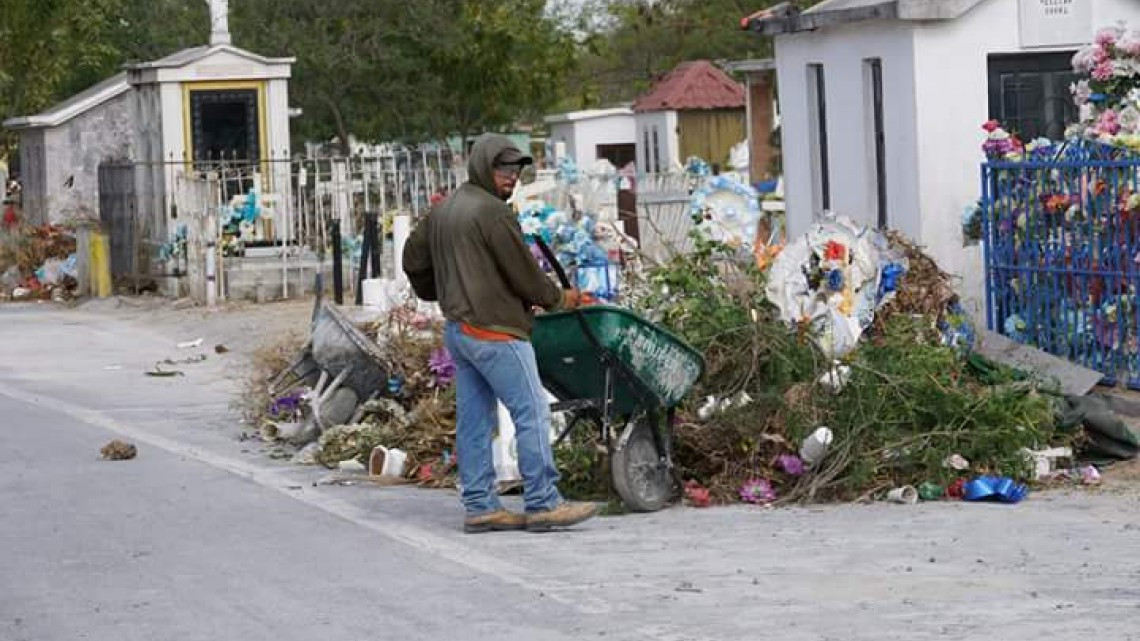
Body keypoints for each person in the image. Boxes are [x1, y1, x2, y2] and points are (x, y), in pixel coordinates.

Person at [403, 134, 598, 533]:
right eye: (503, 169)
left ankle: (480, 505)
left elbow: (412, 257)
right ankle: (543, 502)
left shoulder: (443, 211)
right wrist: (561, 298)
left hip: (460, 331)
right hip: (496, 332)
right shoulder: (492, 213)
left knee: (474, 421)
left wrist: (436, 289)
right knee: (532, 412)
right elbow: (525, 275)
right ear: (482, 167)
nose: (511, 178)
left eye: (516, 170)